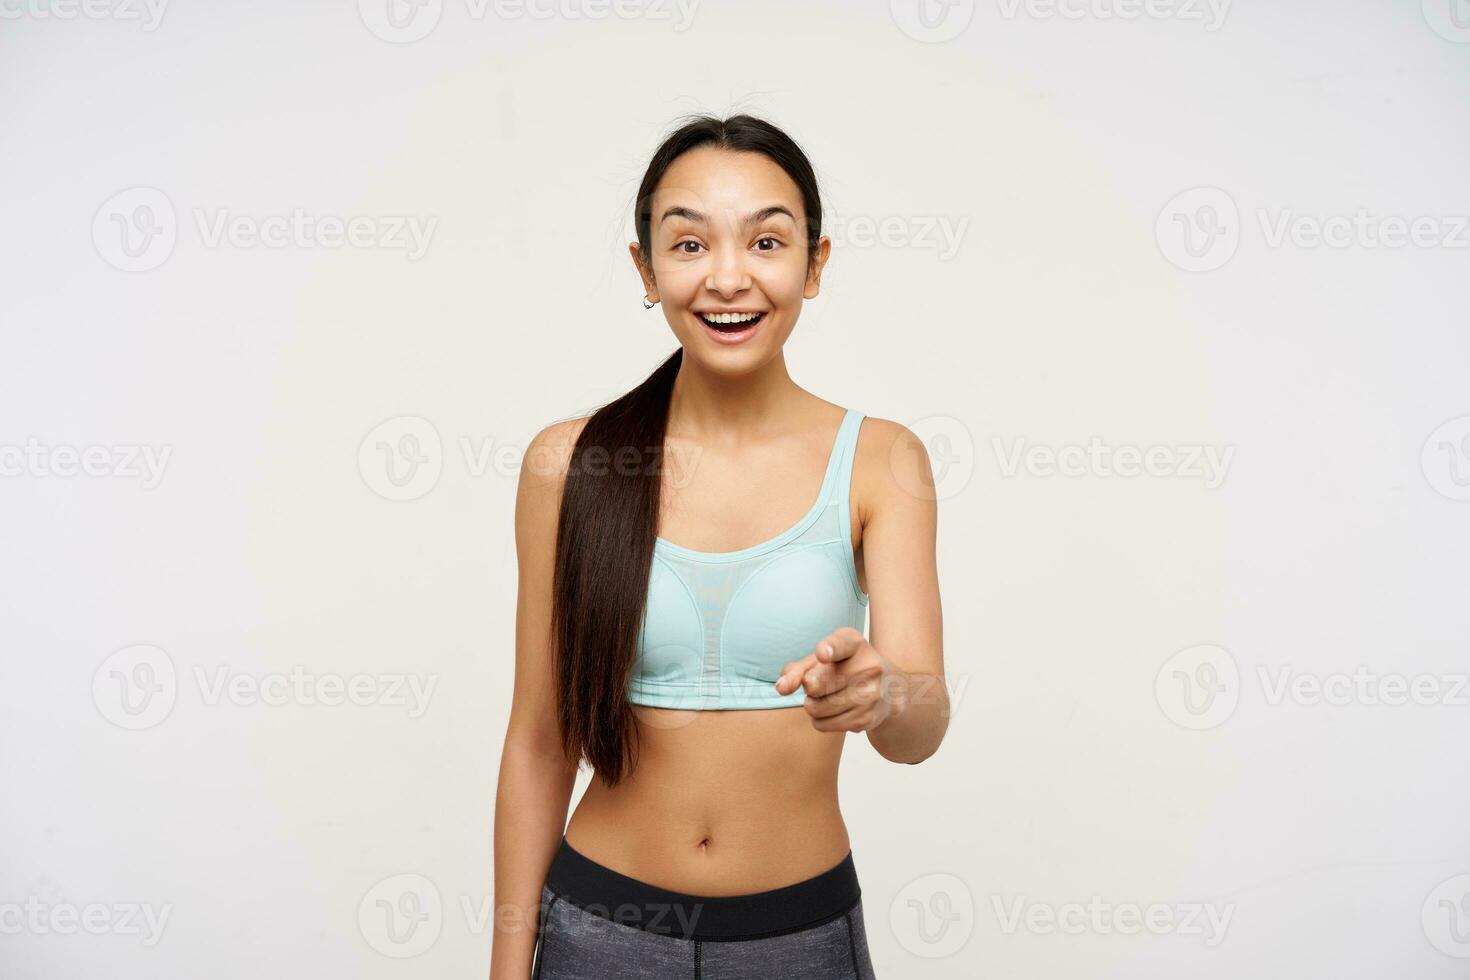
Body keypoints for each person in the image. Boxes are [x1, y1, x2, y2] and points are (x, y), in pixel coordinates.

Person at [490, 113, 948, 980]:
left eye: (767, 242)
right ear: (645, 266)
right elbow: (538, 741)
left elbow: (920, 729)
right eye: (690, 243)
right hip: (599, 930)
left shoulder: (884, 462)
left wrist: (883, 694)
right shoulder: (569, 464)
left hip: (799, 938)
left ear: (814, 265)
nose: (728, 279)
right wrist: (509, 969)